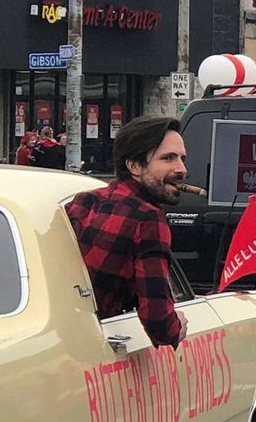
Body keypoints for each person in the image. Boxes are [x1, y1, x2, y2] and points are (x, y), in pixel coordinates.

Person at [65, 116, 188, 349]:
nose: (181, 169)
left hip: (65, 337)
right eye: (168, 158)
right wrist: (177, 327)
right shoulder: (149, 218)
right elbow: (158, 320)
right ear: (134, 166)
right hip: (101, 349)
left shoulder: (84, 201)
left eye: (182, 158)